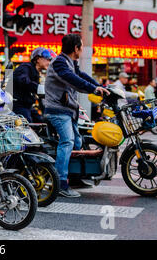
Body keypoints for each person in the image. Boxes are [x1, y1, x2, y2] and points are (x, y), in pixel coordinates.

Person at [44, 34, 109, 198]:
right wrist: (93, 89)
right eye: (81, 46)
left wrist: (99, 87)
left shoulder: (69, 62)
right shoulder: (59, 62)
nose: (82, 49)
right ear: (76, 48)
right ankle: (60, 183)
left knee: (78, 141)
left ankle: (74, 177)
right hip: (57, 111)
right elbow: (73, 80)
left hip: (68, 110)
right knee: (67, 141)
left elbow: (81, 76)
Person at [12, 47, 53, 123]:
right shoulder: (26, 67)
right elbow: (24, 81)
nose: (49, 62)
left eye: (50, 60)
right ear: (37, 59)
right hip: (17, 105)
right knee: (28, 125)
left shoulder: (36, 73)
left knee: (43, 122)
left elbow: (38, 94)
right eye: (47, 58)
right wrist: (39, 88)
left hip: (28, 106)